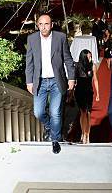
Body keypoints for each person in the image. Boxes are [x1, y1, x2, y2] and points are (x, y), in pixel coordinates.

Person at [25, 14, 75, 154]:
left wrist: (71, 78)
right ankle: (51, 127)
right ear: (38, 25)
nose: (44, 27)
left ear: (51, 25)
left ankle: (55, 140)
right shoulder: (32, 39)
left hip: (56, 81)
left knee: (55, 113)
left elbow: (68, 59)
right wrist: (29, 81)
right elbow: (29, 62)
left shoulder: (60, 37)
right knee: (38, 112)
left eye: (46, 24)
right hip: (39, 81)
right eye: (41, 24)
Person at [75, 49, 100, 144]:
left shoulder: (93, 66)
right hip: (79, 91)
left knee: (89, 113)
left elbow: (95, 80)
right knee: (82, 112)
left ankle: (87, 134)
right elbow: (74, 79)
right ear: (84, 56)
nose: (91, 58)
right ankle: (83, 132)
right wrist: (70, 92)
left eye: (91, 56)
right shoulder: (77, 66)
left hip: (89, 91)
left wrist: (98, 93)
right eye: (89, 56)